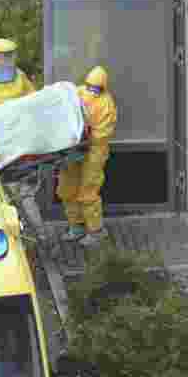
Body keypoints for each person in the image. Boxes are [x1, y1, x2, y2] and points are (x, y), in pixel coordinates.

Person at [56, 65, 117, 247]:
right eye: (90, 86)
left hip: (94, 151)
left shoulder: (106, 104)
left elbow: (103, 133)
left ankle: (96, 231)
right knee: (68, 187)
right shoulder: (78, 92)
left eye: (96, 88)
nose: (92, 90)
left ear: (103, 87)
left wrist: (85, 136)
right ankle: (76, 226)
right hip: (74, 147)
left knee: (88, 190)